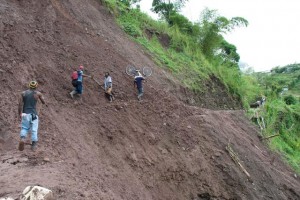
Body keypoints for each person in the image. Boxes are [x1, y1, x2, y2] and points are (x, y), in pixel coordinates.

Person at [18, 81, 46, 151]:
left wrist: (19, 113)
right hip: (33, 114)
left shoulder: (23, 93)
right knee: (34, 129)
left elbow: (20, 104)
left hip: (25, 114)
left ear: (29, 85)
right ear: (36, 86)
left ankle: (23, 138)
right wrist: (41, 97)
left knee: (24, 127)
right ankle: (33, 145)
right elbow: (43, 102)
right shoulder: (38, 93)